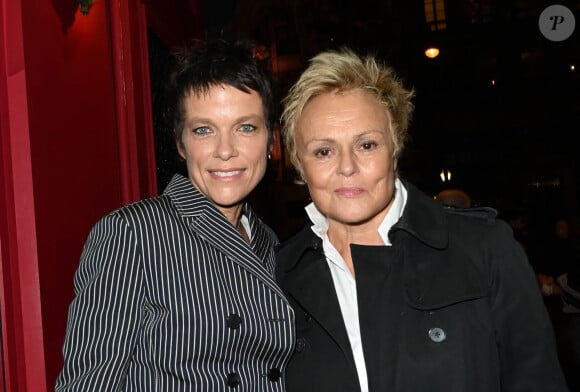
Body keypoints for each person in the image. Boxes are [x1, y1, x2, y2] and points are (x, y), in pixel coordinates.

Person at [275, 48, 568, 391]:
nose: (347, 167)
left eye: (367, 145)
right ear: (299, 163)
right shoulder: (279, 275)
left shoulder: (484, 248)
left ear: (395, 149)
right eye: (323, 151)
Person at [56, 39, 295, 391]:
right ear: (181, 143)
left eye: (246, 127)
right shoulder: (132, 233)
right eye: (204, 130)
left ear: (270, 140)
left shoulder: (273, 243)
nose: (225, 150)